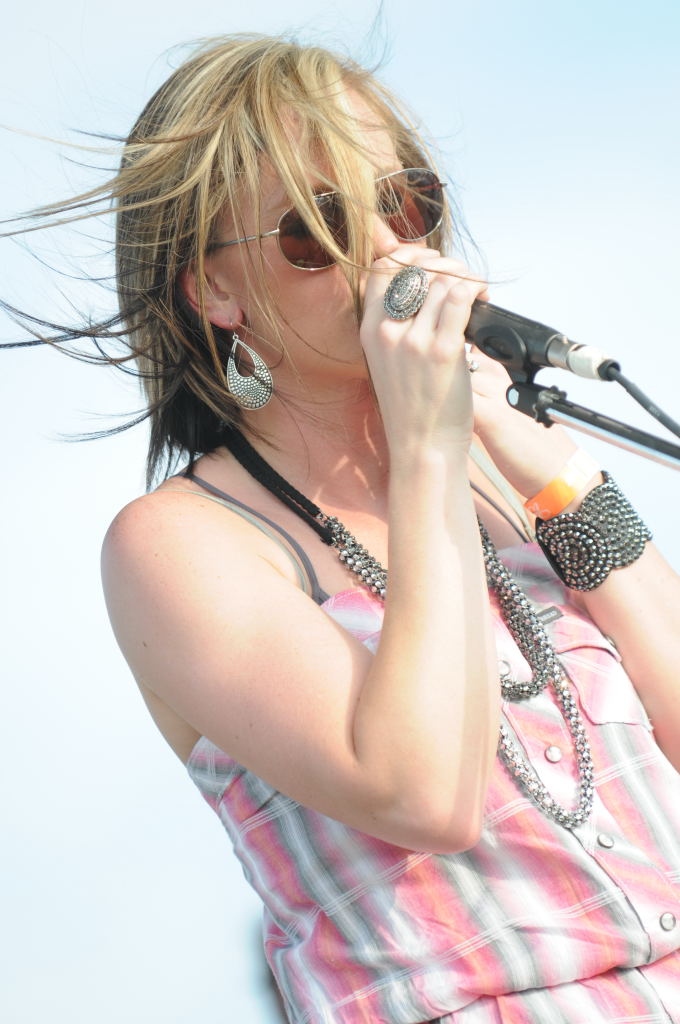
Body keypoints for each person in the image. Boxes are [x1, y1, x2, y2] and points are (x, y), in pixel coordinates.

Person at [10, 33, 680, 1024]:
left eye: (403, 202)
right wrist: (425, 450)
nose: (385, 248)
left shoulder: (505, 481)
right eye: (315, 224)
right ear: (216, 290)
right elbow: (419, 794)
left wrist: (561, 479)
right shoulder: (183, 545)